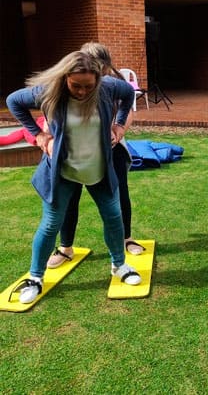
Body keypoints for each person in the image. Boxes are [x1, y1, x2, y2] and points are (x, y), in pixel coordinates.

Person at [6, 50, 142, 304]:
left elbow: (127, 95)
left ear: (98, 81)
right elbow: (14, 101)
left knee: (114, 218)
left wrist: (120, 125)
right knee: (50, 224)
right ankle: (36, 277)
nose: (82, 91)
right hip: (63, 172)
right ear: (65, 77)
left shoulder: (108, 87)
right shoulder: (48, 93)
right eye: (75, 85)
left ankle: (119, 266)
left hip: (99, 170)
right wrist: (39, 135)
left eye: (88, 86)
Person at [47, 42, 144, 269]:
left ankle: (125, 238)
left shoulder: (113, 84)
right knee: (69, 198)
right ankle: (65, 247)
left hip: (111, 149)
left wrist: (118, 130)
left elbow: (128, 109)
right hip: (76, 151)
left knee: (119, 193)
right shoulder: (72, 84)